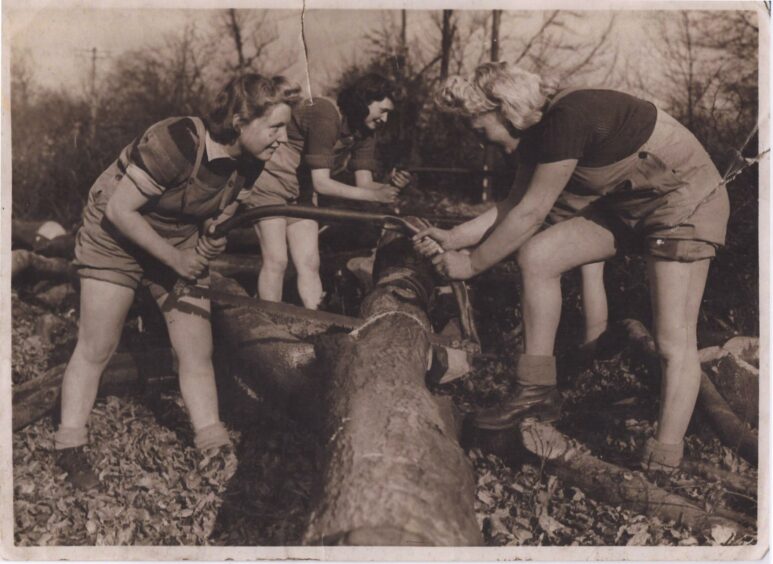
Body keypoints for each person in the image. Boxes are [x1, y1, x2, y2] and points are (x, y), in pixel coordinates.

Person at [415, 62, 729, 471]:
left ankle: (665, 456)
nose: (481, 143)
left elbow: (531, 213)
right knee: (540, 256)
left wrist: (471, 264)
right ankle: (537, 389)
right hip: (630, 207)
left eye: (479, 130)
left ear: (503, 108)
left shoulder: (566, 119)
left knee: (673, 337)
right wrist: (454, 237)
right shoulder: (536, 136)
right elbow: (512, 206)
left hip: (686, 203)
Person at [55, 74, 300, 490]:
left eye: (286, 128)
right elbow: (120, 211)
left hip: (177, 237)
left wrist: (202, 251)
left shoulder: (254, 159)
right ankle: (69, 445)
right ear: (240, 120)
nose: (283, 137)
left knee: (195, 346)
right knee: (97, 345)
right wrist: (176, 261)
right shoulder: (177, 140)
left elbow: (220, 216)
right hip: (116, 235)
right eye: (275, 126)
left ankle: (212, 442)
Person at [243, 73, 411, 310]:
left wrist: (390, 187)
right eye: (382, 110)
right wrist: (375, 195)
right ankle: (270, 322)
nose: (385, 118)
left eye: (389, 114)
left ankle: (315, 320)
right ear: (364, 100)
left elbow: (364, 184)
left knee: (310, 262)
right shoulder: (325, 113)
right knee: (277, 259)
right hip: (270, 184)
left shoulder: (365, 131)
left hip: (301, 191)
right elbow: (323, 183)